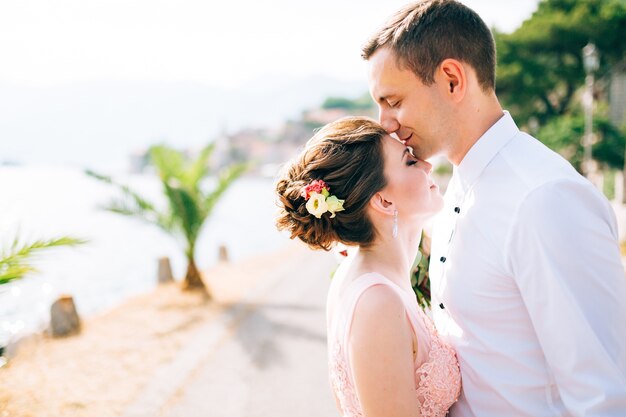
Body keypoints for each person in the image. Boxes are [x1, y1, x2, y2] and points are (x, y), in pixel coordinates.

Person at [362, 1, 626, 416]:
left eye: (393, 101)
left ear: (451, 79)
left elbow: (604, 396)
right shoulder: (454, 190)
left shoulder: (544, 199)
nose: (385, 122)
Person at [275, 117, 461, 416]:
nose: (427, 165)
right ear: (383, 201)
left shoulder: (364, 278)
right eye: (409, 162)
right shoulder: (377, 301)